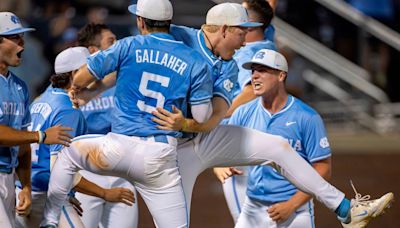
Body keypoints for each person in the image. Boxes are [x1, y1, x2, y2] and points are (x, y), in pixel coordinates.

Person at [150, 3, 394, 228]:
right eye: (240, 30)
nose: (244, 37)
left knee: (277, 148)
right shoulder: (185, 38)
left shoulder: (237, 60)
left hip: (208, 135)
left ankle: (347, 211)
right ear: (224, 29)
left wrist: (201, 125)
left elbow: (219, 113)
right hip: (171, 148)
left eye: (248, 28)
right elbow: (152, 24)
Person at [40, 0, 213, 227]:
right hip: (160, 157)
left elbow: (81, 78)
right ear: (169, 23)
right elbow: (202, 117)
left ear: (140, 21)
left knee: (67, 154)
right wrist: (183, 122)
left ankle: (50, 220)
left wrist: (80, 87)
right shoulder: (195, 60)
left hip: (119, 147)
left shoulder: (128, 45)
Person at [15, 46, 135, 228]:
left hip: (25, 191)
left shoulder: (41, 99)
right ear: (74, 74)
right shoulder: (68, 109)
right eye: (88, 69)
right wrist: (104, 193)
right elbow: (59, 169)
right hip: (47, 196)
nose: (93, 73)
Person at [231, 48, 329, 227]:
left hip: (295, 212)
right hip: (252, 208)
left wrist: (291, 205)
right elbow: (222, 145)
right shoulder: (243, 113)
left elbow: (323, 167)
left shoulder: (307, 117)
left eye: (262, 70)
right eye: (253, 70)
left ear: (281, 76)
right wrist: (220, 166)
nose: (254, 76)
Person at [0, 11, 73, 227]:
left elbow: (23, 145)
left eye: (22, 36)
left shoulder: (19, 87)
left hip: (9, 176)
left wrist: (25, 187)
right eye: (15, 37)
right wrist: (40, 136)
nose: (22, 42)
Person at [212, 0, 277, 222]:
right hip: (256, 141)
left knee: (247, 221)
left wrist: (218, 114)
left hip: (240, 147)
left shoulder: (253, 53)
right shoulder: (266, 38)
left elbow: (251, 91)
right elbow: (267, 11)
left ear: (250, 26)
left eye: (242, 12)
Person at [75, 23, 139, 228]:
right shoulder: (71, 82)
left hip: (121, 169)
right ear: (93, 51)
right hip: (85, 173)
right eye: (111, 42)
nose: (117, 45)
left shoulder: (123, 78)